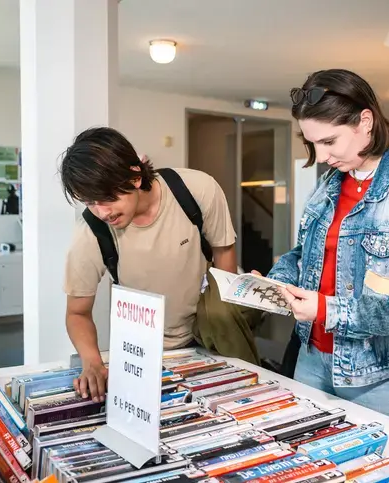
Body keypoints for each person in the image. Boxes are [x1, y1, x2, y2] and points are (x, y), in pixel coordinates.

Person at [265, 69, 389, 424]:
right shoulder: (329, 184)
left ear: (365, 122)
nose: (321, 157)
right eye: (313, 144)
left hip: (384, 379)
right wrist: (275, 281)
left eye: (329, 142)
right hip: (312, 359)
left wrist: (327, 310)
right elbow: (304, 253)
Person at [61, 127, 261, 402]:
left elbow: (224, 252)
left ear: (134, 176)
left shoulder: (196, 190)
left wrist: (227, 309)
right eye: (90, 202)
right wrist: (92, 362)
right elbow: (77, 313)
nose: (102, 212)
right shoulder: (91, 232)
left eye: (107, 198)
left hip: (209, 339)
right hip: (143, 352)